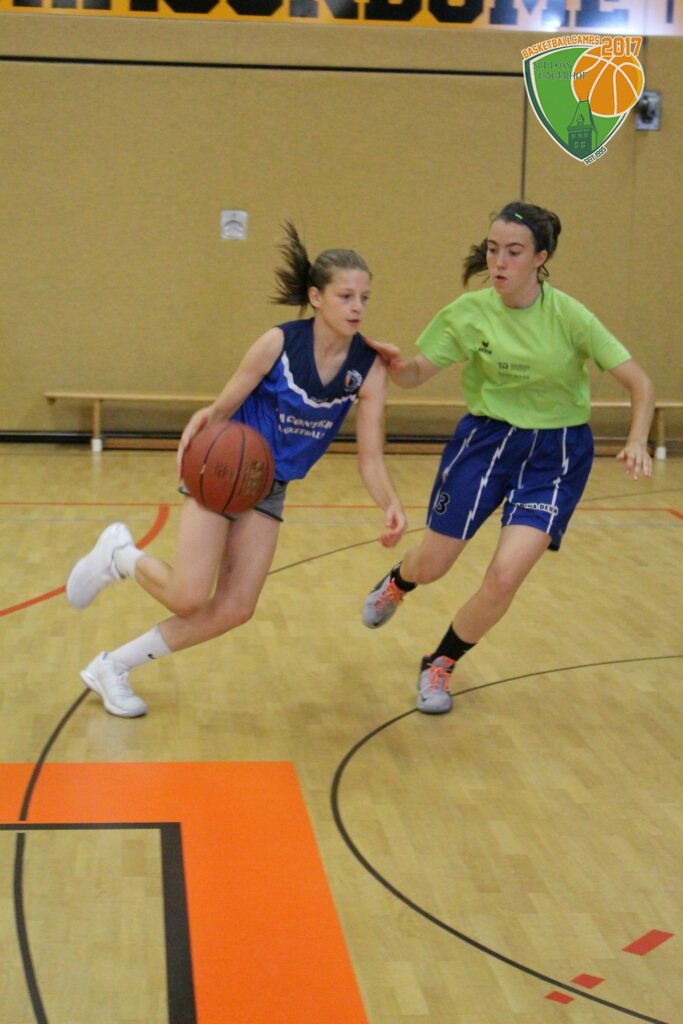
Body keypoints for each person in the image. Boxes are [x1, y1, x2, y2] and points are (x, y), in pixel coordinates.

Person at [66, 222, 407, 717]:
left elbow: (370, 456)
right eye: (346, 296)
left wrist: (390, 503)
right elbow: (222, 407)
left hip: (271, 486)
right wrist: (200, 427)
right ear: (316, 297)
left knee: (235, 608)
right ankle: (120, 556)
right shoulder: (277, 343)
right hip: (224, 471)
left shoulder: (369, 368)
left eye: (365, 298)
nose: (357, 307)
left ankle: (112, 666)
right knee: (188, 596)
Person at [362, 200, 654, 715]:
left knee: (503, 578)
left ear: (541, 258)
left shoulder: (570, 317)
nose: (499, 262)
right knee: (434, 564)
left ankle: (441, 662)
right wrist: (393, 364)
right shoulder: (469, 312)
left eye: (514, 252)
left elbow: (640, 383)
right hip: (487, 443)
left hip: (556, 456)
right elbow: (416, 373)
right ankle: (399, 582)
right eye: (493, 249)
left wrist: (635, 439)